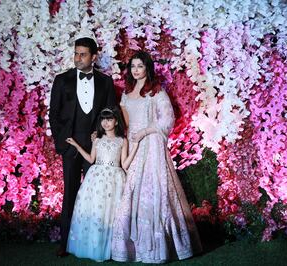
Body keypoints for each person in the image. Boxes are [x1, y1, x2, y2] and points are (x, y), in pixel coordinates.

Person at [111, 51, 202, 263]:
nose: (135, 70)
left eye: (139, 66)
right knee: (130, 190)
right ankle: (130, 247)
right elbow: (124, 121)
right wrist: (125, 138)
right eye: (132, 66)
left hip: (151, 143)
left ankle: (158, 247)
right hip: (132, 143)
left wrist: (145, 131)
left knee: (153, 190)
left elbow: (167, 120)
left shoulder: (156, 92)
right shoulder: (126, 93)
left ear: (147, 69)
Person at [49, 34, 116, 257]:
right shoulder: (62, 79)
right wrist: (62, 143)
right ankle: (65, 243)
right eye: (76, 53)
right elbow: (54, 114)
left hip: (95, 147)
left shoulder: (106, 82)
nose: (78, 58)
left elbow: (110, 113)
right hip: (70, 146)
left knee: (94, 195)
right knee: (70, 193)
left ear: (94, 57)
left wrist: (103, 139)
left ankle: (92, 243)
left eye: (83, 54)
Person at [65, 107, 139, 262]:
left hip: (115, 179)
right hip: (97, 178)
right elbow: (91, 159)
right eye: (103, 119)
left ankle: (113, 249)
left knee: (112, 212)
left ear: (116, 121)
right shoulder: (97, 139)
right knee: (97, 210)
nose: (106, 123)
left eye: (110, 119)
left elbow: (124, 164)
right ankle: (95, 246)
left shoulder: (122, 140)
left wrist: (136, 146)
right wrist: (77, 145)